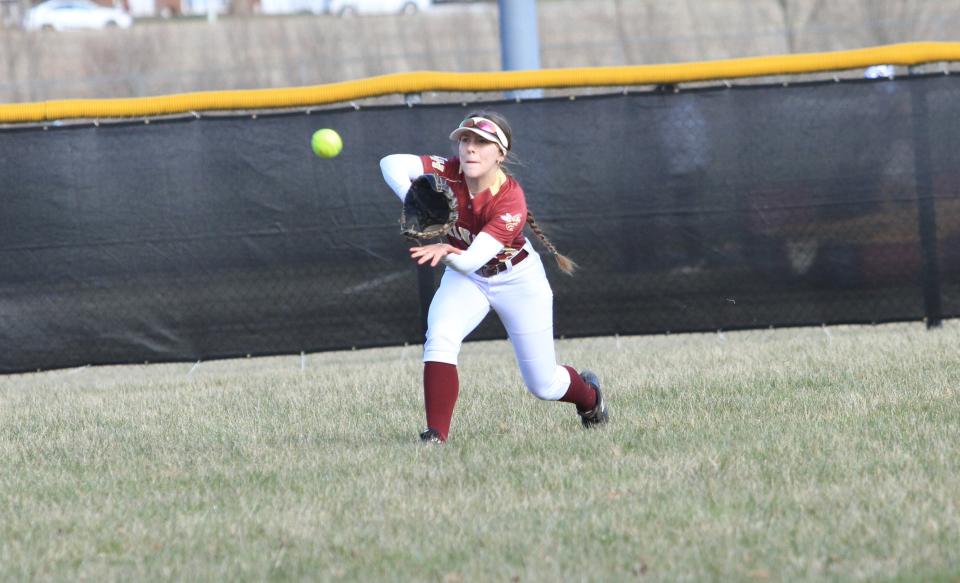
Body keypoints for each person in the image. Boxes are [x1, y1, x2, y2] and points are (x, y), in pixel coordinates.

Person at [379, 111, 609, 443]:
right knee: (440, 336)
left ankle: (591, 397)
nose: (470, 149)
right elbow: (390, 163)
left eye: (482, 142)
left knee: (543, 385)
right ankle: (435, 436)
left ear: (500, 154)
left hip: (516, 279)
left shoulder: (509, 199)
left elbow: (472, 260)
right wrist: (415, 197)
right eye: (465, 140)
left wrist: (446, 250)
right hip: (468, 281)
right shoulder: (448, 172)